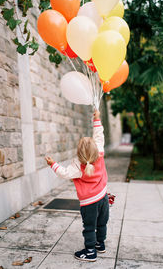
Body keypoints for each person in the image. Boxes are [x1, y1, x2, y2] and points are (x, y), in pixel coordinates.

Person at [45, 110, 109, 262]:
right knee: (101, 222)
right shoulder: (99, 153)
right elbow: (99, 135)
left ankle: (90, 251)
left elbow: (64, 173)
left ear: (79, 153)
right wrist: (97, 119)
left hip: (89, 203)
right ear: (95, 149)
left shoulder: (77, 166)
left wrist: (52, 164)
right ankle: (100, 244)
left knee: (89, 227)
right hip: (103, 197)